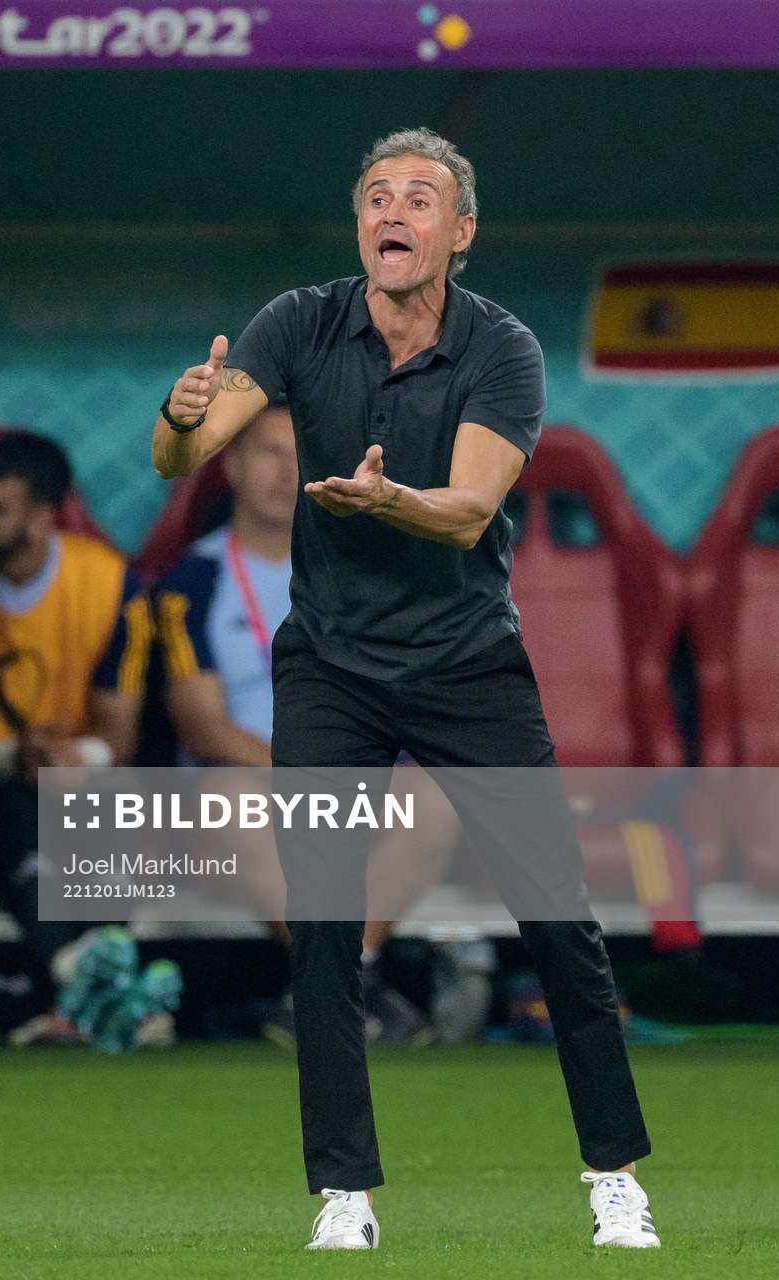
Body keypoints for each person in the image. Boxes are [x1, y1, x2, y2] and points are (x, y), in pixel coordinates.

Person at [152, 127, 656, 1251]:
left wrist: (389, 502)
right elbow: (183, 455)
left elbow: (471, 510)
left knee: (559, 919)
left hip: (467, 662)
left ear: (459, 232)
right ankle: (345, 1195)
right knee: (324, 928)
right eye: (377, 196)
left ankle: (614, 1176)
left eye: (419, 198)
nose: (393, 212)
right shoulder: (299, 322)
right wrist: (182, 417)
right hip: (331, 665)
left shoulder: (502, 347)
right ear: (359, 226)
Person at [154, 404, 457, 1045]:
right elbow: (201, 727)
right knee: (228, 803)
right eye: (270, 452)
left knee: (437, 796)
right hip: (250, 780)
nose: (287, 472)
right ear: (232, 466)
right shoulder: (193, 580)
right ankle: (352, 985)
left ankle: (338, 978)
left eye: (304, 456)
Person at [0, 431, 159, 1042]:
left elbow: (118, 736)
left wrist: (71, 758)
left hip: (72, 773)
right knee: (15, 809)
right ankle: (97, 991)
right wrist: (12, 757)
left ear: (42, 518)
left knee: (115, 804)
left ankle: (79, 1001)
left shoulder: (108, 581)